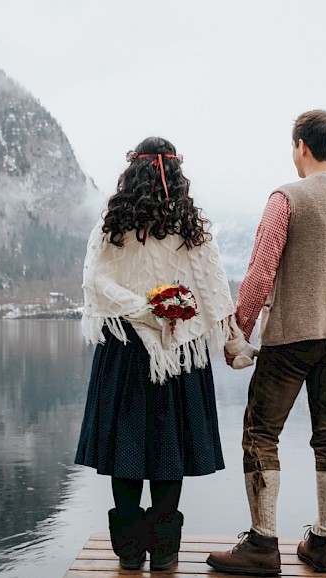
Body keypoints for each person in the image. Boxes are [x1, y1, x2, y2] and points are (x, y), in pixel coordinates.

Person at [206, 110, 326, 575]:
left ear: (301, 146)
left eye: (294, 147)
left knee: (261, 432)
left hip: (291, 335)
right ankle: (322, 543)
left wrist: (238, 335)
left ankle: (263, 545)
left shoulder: (285, 198)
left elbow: (261, 270)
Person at [76, 136, 236, 571]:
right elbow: (212, 289)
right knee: (169, 449)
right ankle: (164, 550)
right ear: (177, 175)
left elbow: (95, 281)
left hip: (123, 347)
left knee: (125, 449)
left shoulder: (111, 224)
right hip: (177, 349)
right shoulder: (192, 227)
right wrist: (173, 314)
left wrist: (137, 309)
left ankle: (129, 552)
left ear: (131, 173)